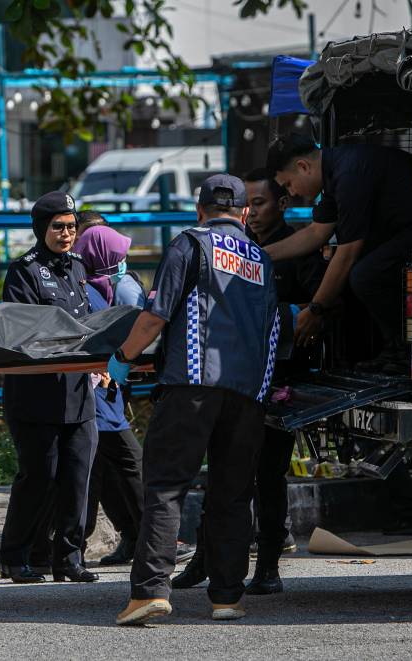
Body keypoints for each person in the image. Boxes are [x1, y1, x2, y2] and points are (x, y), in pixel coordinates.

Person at [109, 174, 279, 625]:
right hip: (247, 394)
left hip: (192, 384)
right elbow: (274, 330)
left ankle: (150, 592)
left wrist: (121, 358)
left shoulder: (190, 244)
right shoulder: (262, 258)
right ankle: (226, 597)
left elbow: (154, 317)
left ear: (199, 210)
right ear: (244, 214)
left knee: (165, 486)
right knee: (232, 494)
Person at [172, 167, 328, 595]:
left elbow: (314, 309)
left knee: (268, 476)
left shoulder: (298, 249)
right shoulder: (230, 246)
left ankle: (268, 567)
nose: (251, 212)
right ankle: (205, 561)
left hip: (276, 380)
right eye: (249, 204)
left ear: (279, 204)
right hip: (227, 379)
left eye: (258, 203)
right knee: (219, 473)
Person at [0, 191, 100, 584]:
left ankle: (70, 558)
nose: (67, 234)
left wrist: (98, 363)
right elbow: (22, 328)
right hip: (36, 392)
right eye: (58, 227)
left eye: (72, 226)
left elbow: (87, 319)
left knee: (77, 476)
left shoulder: (76, 267)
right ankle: (17, 555)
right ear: (42, 229)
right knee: (38, 475)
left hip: (76, 391)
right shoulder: (23, 270)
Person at [265, 135, 412, 366]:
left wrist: (315, 309)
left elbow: (347, 252)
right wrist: (259, 254)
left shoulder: (349, 174)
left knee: (366, 275)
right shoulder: (334, 172)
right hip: (406, 231)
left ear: (303, 167)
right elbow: (315, 233)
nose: (291, 193)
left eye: (288, 184)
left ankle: (404, 354)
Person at [73, 224, 146, 566]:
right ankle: (157, 536)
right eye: (117, 256)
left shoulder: (101, 288)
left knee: (104, 468)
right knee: (131, 462)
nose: (123, 262)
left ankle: (130, 536)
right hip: (96, 392)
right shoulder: (88, 292)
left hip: (104, 391)